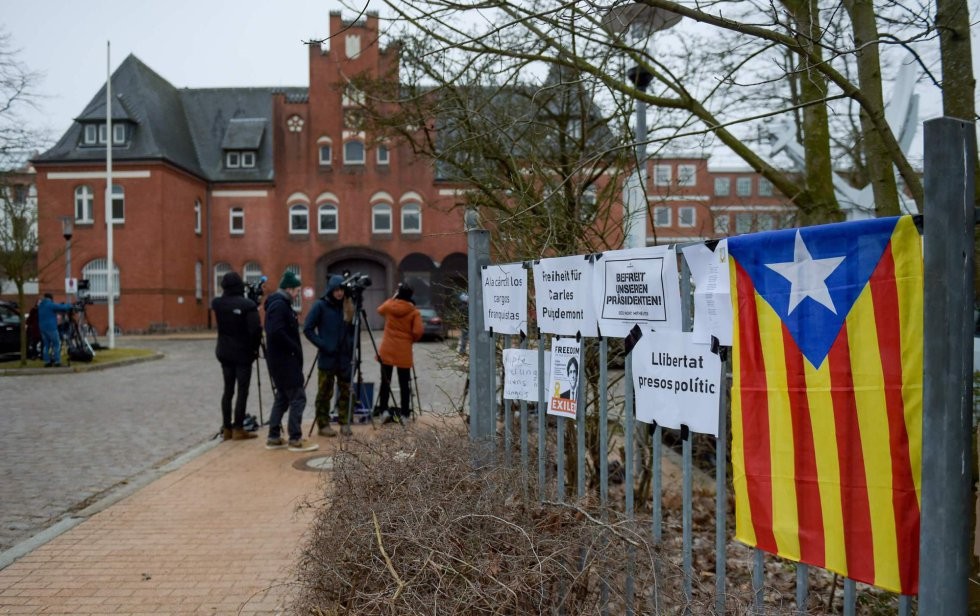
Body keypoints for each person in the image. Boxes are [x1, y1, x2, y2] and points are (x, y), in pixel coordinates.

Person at [263, 270, 318, 453]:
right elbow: (276, 331)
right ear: (288, 289)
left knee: (282, 397)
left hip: (281, 361)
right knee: (298, 398)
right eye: (296, 290)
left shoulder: (280, 304)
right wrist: (293, 347)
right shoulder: (279, 305)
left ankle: (273, 437)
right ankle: (295, 438)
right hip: (285, 361)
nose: (297, 294)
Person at [211, 271, 262, 441]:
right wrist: (255, 349)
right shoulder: (247, 305)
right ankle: (238, 427)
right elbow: (255, 330)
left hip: (224, 351)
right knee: (242, 390)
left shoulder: (217, 303)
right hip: (243, 353)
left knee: (228, 390)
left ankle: (227, 427)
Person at [303, 275, 354, 437]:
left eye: (341, 290)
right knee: (325, 392)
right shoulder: (321, 306)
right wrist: (323, 344)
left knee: (347, 390)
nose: (339, 293)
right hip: (328, 356)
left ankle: (345, 422)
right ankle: (323, 424)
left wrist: (351, 345)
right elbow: (308, 329)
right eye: (336, 290)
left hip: (345, 357)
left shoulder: (348, 306)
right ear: (331, 290)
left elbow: (353, 330)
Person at [375, 283, 423, 423]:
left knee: (385, 381)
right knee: (404, 384)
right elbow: (418, 331)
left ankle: (383, 411)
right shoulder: (414, 312)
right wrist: (410, 340)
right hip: (404, 350)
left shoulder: (390, 306)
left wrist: (393, 298)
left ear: (398, 293)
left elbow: (379, 310)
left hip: (387, 349)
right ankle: (405, 415)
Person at [37, 293, 72, 367]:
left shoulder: (40, 305)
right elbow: (62, 307)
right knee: (56, 344)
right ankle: (57, 361)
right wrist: (69, 305)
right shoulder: (50, 304)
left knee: (46, 345)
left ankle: (47, 362)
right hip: (51, 327)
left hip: (42, 328)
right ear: (50, 298)